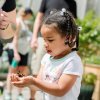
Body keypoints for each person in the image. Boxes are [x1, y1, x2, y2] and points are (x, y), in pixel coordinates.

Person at [10, 9, 83, 100]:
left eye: (50, 40)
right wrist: (26, 82)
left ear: (68, 38)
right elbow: (39, 86)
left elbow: (60, 90)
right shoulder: (47, 58)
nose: (45, 44)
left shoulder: (72, 61)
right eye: (44, 39)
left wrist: (33, 81)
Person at [30, 0, 77, 99]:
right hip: (46, 34)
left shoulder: (72, 2)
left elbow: (73, 24)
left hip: (60, 39)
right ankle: (32, 97)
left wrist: (74, 42)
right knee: (37, 68)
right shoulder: (47, 0)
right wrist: (34, 37)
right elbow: (39, 18)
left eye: (49, 41)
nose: (45, 45)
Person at [4, 8, 33, 100]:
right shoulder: (18, 21)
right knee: (12, 72)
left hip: (24, 52)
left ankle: (19, 94)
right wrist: (16, 53)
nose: (31, 17)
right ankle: (8, 93)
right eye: (30, 15)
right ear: (27, 13)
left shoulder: (25, 23)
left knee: (21, 73)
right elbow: (15, 38)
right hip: (15, 52)